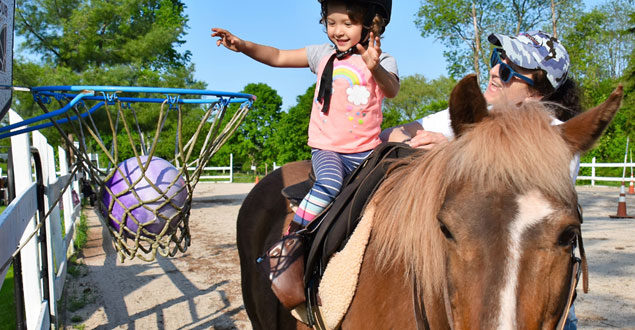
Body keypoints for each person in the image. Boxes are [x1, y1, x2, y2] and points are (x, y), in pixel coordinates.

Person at [380, 30, 581, 329]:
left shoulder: (556, 136)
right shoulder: (481, 115)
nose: (494, 71)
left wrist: (451, 150)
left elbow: (510, 183)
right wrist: (406, 140)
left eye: (509, 71)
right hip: (483, 274)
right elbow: (393, 133)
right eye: (496, 58)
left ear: (537, 93)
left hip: (530, 280)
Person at [213, 0, 399, 232]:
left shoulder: (381, 59)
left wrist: (374, 68)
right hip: (329, 150)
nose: (338, 31)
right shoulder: (322, 54)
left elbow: (391, 90)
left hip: (367, 152)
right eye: (331, 23)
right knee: (329, 185)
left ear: (370, 26)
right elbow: (278, 56)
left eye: (348, 24)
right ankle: (293, 236)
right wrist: (243, 45)